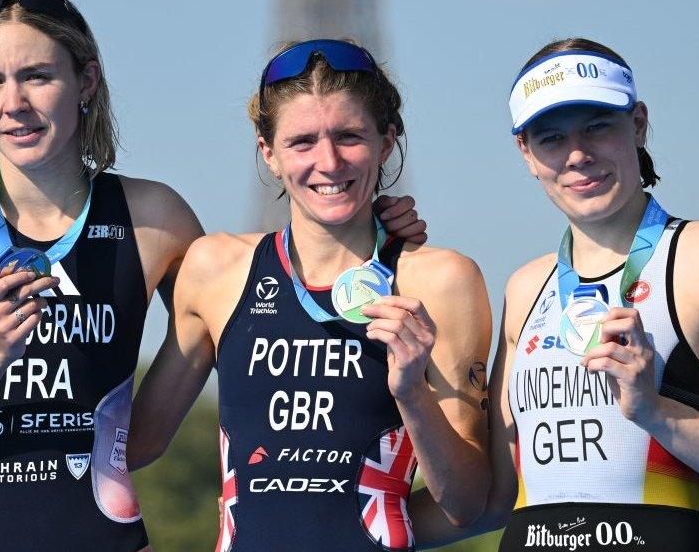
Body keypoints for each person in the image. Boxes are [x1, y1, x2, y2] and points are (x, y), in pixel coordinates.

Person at [0, 0, 425, 551]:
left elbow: (276, 300)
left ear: (87, 81)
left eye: (38, 76)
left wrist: (363, 225)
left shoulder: (154, 217)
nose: (13, 102)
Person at [414, 38, 699, 551]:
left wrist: (653, 410)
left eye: (598, 126)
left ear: (639, 123)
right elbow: (492, 501)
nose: (578, 155)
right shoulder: (525, 285)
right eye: (552, 138)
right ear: (526, 153)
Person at [126, 39, 492, 551]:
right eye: (302, 142)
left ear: (387, 143)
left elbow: (468, 502)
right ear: (268, 153)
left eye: (349, 136)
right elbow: (132, 443)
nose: (329, 161)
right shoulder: (216, 270)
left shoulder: (441, 281)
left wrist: (411, 392)